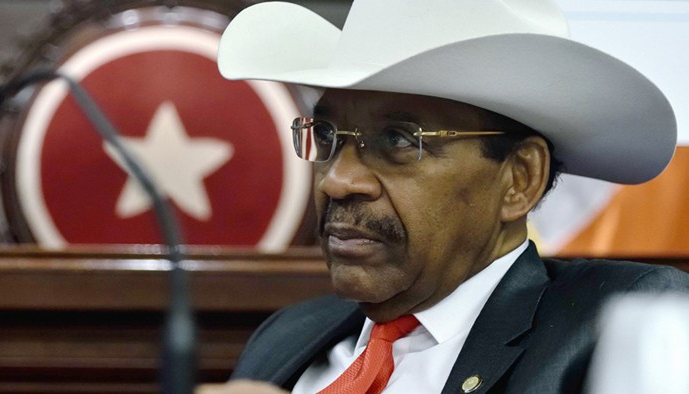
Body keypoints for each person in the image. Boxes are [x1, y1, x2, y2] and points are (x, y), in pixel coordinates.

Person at [203, 0, 689, 392]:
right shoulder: (289, 335)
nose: (337, 180)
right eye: (328, 136)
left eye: (397, 139)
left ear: (520, 178)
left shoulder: (614, 321)